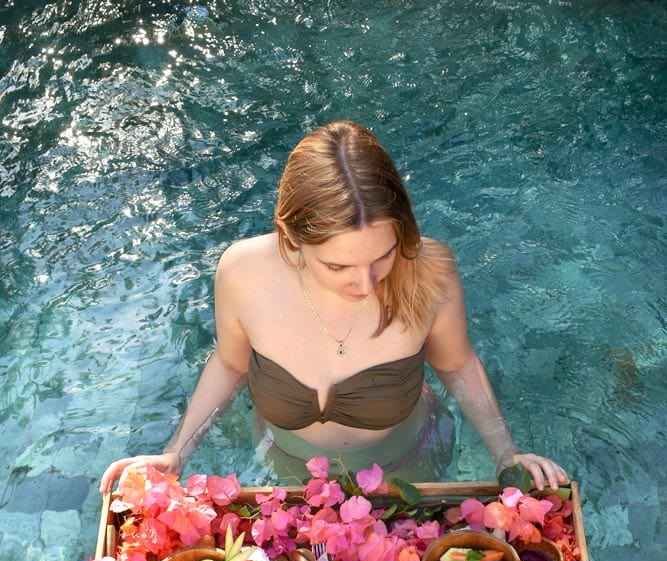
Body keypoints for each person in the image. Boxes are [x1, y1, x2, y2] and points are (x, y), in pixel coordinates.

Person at [100, 121, 568, 494]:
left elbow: (458, 363)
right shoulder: (243, 271)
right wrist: (177, 451)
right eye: (337, 266)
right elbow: (229, 363)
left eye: (382, 256)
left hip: (409, 463)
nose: (364, 283)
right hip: (286, 464)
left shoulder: (429, 269)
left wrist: (507, 454)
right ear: (291, 239)